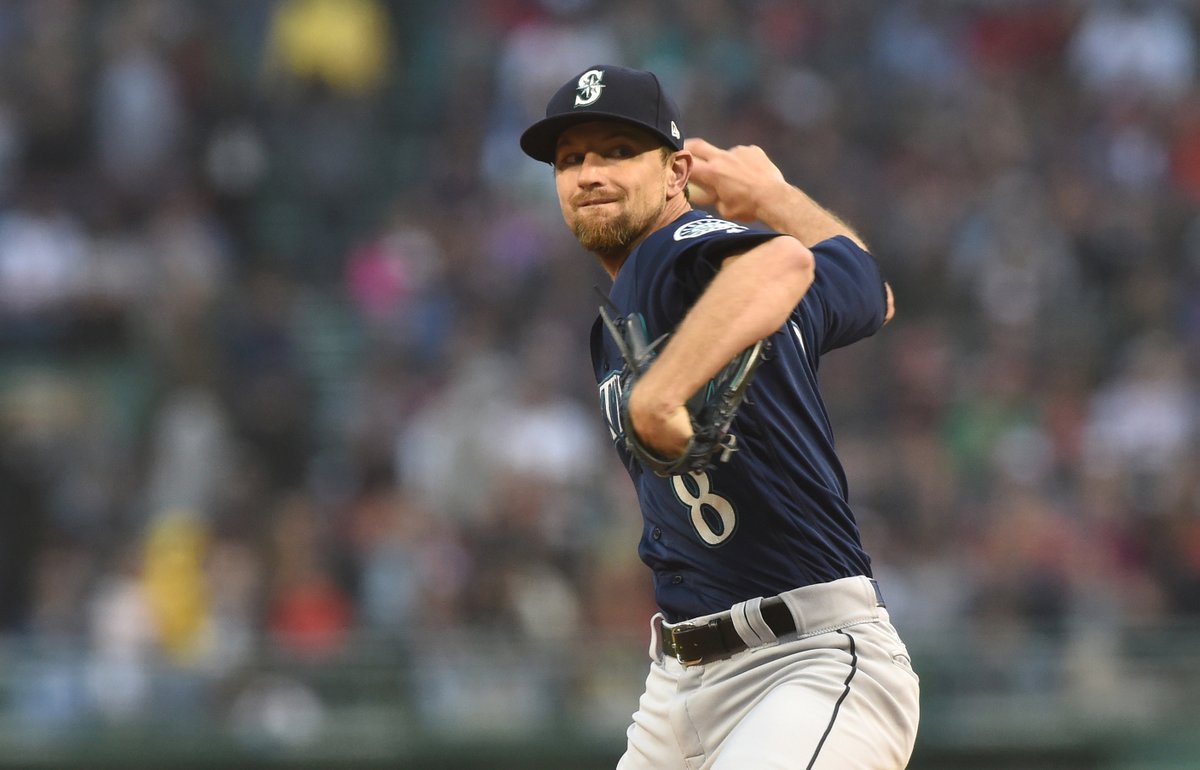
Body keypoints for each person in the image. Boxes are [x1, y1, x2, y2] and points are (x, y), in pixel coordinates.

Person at [520, 65, 919, 770]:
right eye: (570, 160)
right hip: (679, 685)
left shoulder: (673, 253)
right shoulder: (646, 304)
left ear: (676, 172)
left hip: (804, 665)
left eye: (618, 151)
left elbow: (782, 263)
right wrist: (774, 197)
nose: (589, 173)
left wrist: (658, 395)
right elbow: (868, 288)